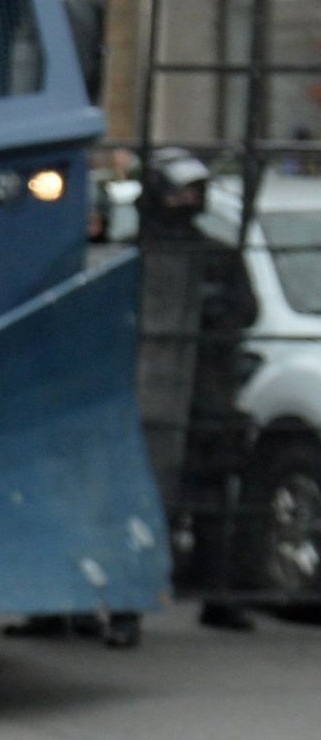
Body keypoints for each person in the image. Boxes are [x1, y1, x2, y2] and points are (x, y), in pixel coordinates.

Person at [136, 146, 262, 634]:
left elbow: (244, 310)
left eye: (192, 191)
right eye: (177, 190)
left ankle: (217, 594)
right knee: (142, 494)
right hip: (148, 389)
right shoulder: (136, 251)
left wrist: (214, 317)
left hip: (204, 390)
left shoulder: (215, 255)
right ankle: (128, 597)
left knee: (210, 496)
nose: (185, 199)